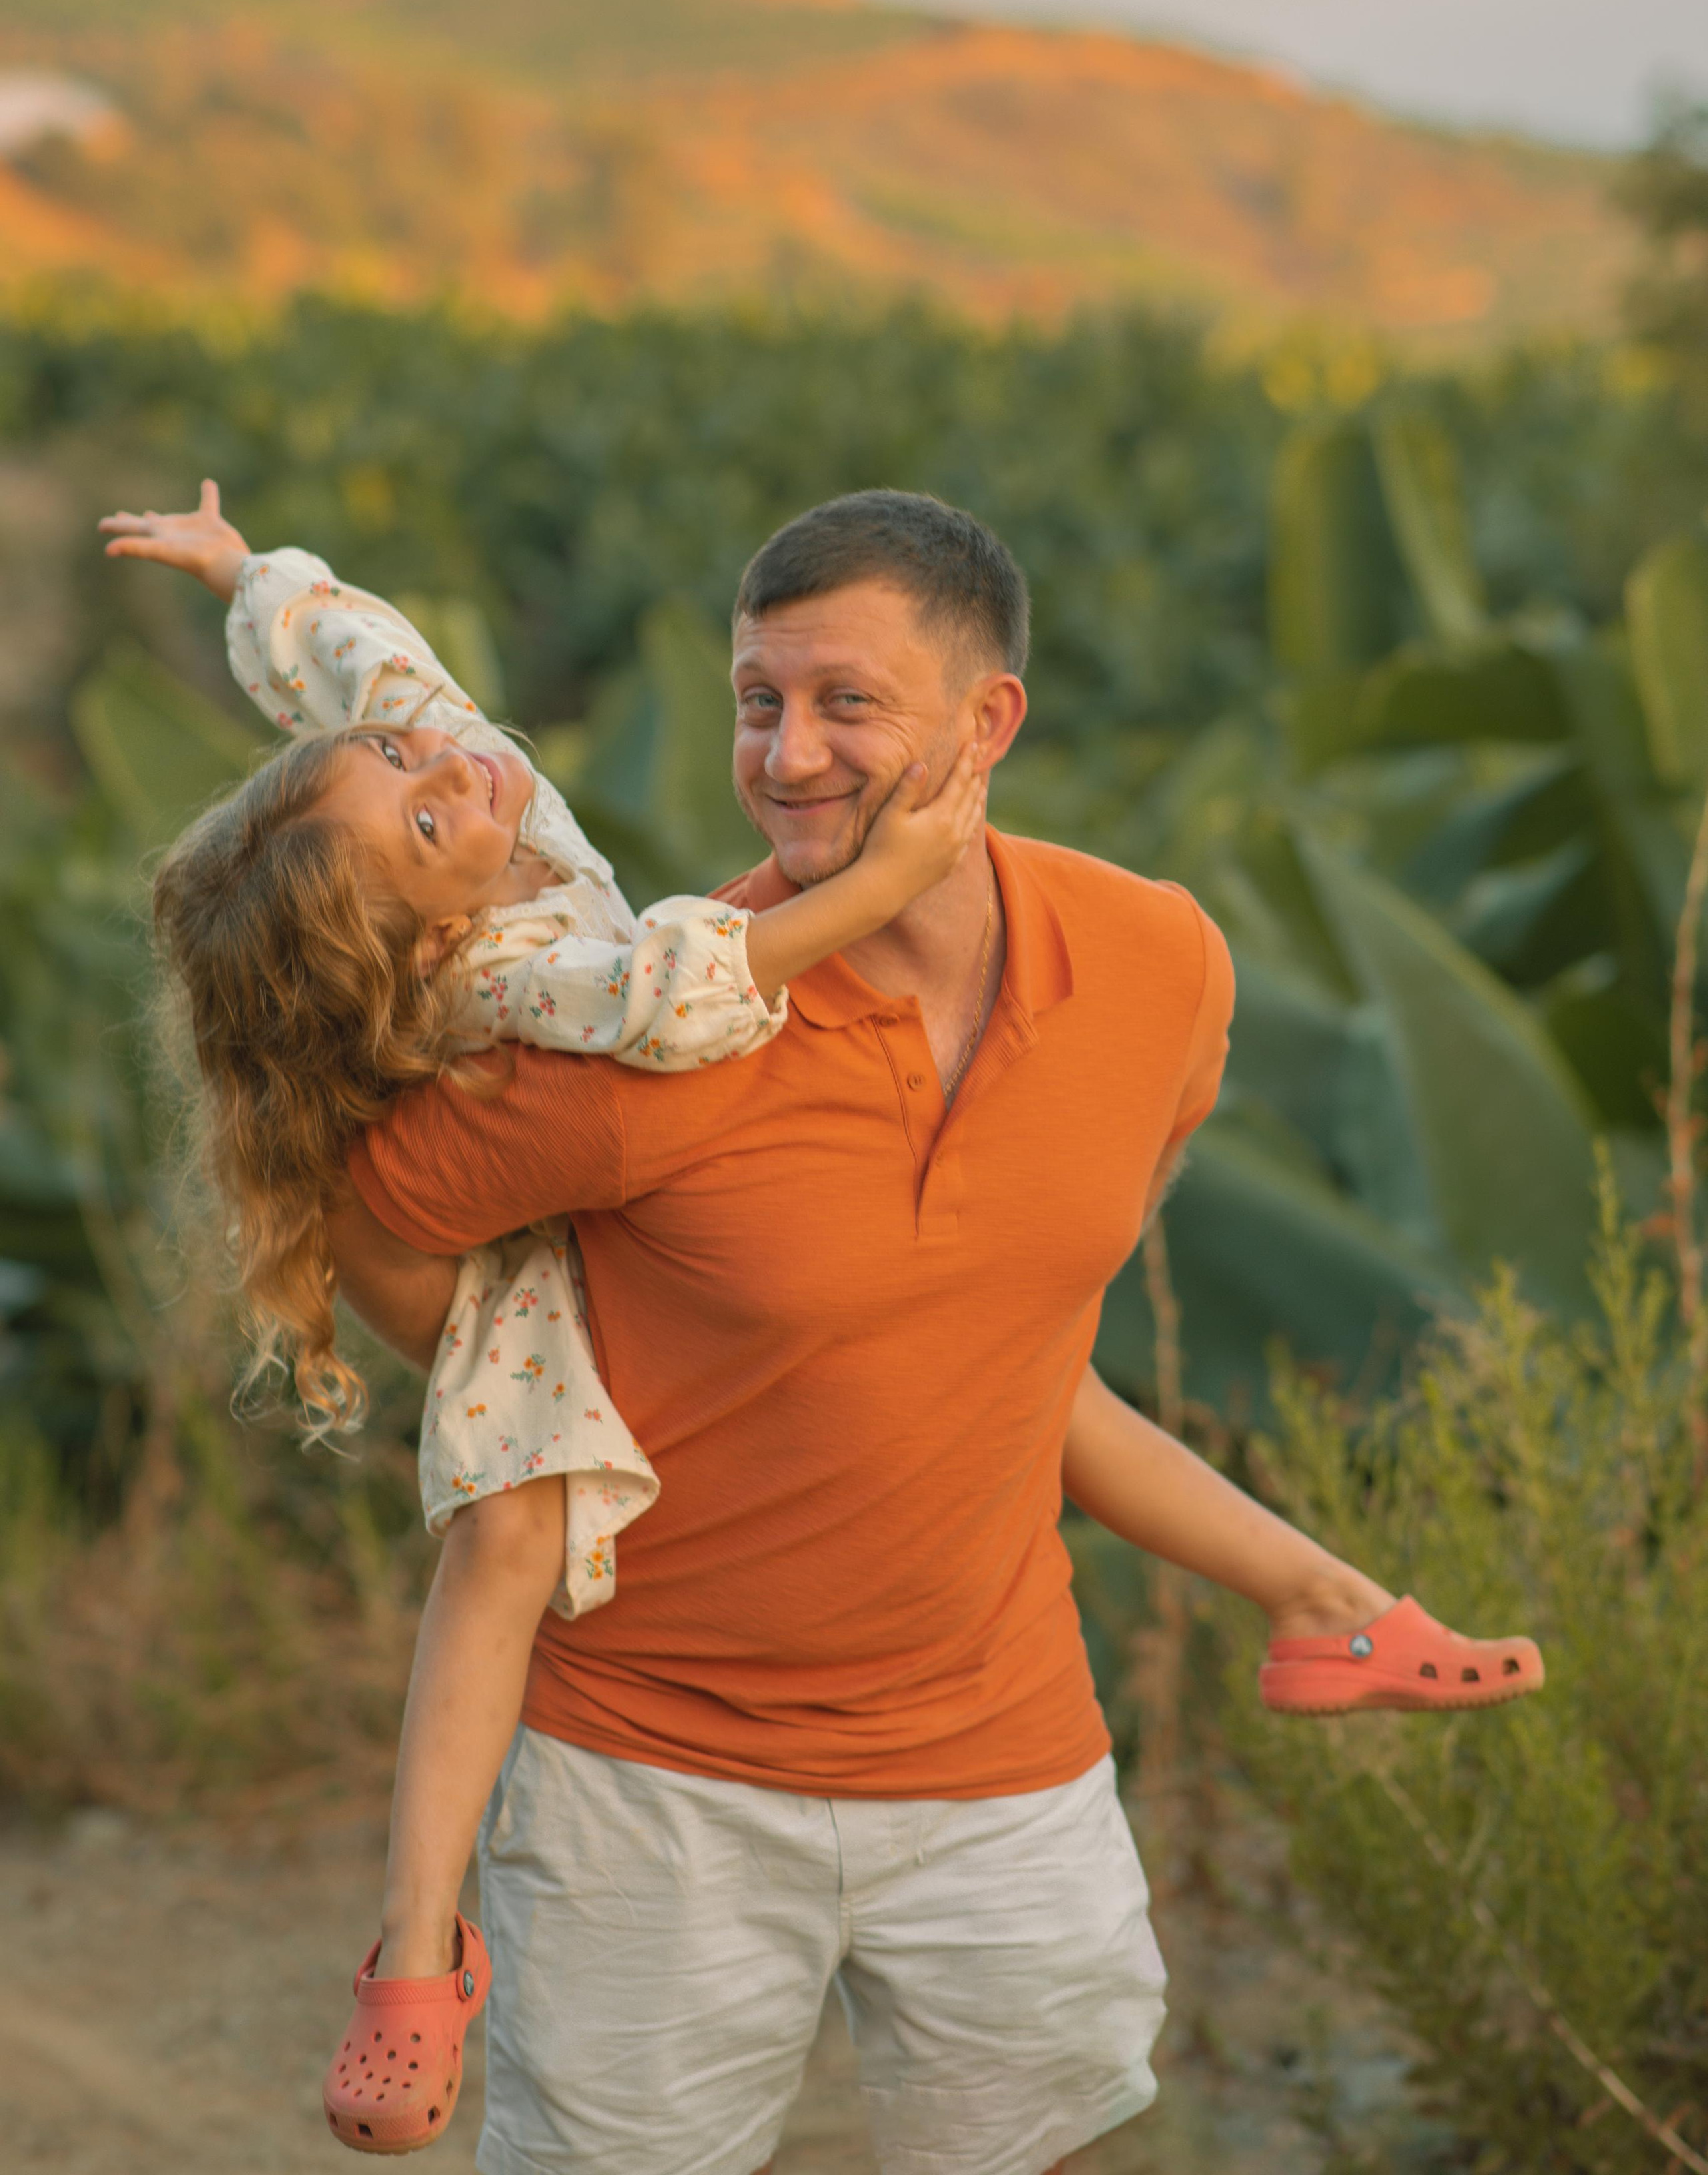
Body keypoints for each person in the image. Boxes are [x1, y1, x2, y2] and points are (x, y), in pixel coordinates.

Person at [328, 487, 1543, 2175]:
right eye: (759, 700)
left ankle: (1325, 1601)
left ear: (988, 722)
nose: (787, 753)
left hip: (1004, 1770)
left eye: (846, 702)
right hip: (652, 1786)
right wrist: (514, 1393)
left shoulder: (1160, 966)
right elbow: (367, 1210)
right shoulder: (649, 1034)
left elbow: (1032, 1334)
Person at [101, 482, 987, 2158]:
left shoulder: (456, 773)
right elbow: (673, 995)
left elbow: (370, 668)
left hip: (634, 1209)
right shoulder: (490, 972)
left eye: (420, 768)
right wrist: (892, 880)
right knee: (504, 1541)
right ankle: (417, 1949)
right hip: (528, 1267)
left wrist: (248, 572)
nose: (454, 776)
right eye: (425, 819)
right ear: (429, 921)